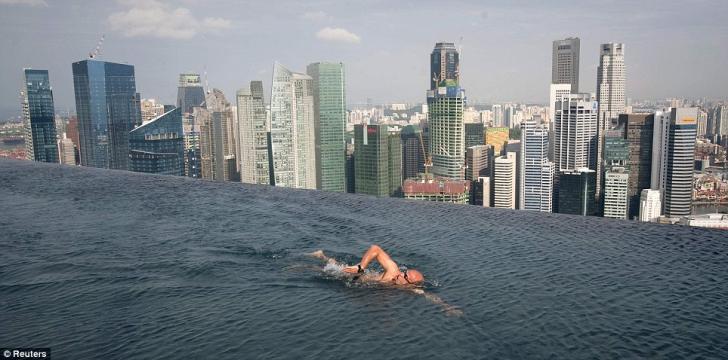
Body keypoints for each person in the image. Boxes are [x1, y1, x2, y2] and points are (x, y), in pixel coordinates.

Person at [312, 245, 424, 286]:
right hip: (356, 276)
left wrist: (442, 305)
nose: (401, 274)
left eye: (405, 275)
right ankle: (319, 257)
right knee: (324, 270)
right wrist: (361, 267)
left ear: (409, 284)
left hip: (359, 282)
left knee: (335, 266)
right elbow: (375, 249)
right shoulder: (393, 271)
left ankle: (321, 256)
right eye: (404, 272)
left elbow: (428, 296)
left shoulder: (407, 289)